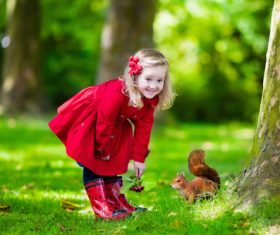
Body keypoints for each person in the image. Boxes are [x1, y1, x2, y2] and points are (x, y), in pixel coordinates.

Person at [49, 48, 175, 220]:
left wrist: (139, 159)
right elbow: (104, 122)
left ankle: (116, 202)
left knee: (115, 161)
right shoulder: (116, 92)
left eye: (159, 80)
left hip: (116, 124)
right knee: (94, 162)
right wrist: (103, 149)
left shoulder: (149, 101)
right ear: (135, 76)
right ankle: (102, 207)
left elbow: (144, 129)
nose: (153, 86)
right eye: (148, 79)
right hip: (93, 119)